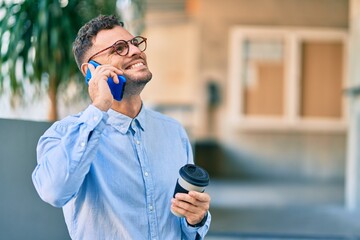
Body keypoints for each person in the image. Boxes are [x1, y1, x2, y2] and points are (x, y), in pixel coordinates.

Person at [31, 14, 211, 240]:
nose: (135, 51)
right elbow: (54, 191)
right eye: (119, 48)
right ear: (91, 71)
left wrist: (196, 218)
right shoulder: (64, 134)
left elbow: (186, 226)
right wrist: (99, 107)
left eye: (134, 43)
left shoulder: (174, 132)